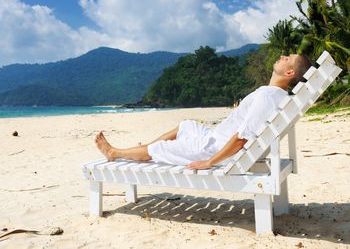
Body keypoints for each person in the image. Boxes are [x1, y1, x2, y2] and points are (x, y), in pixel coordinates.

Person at [95, 54, 311, 170]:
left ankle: (116, 153)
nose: (282, 56)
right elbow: (249, 125)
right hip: (216, 137)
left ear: (290, 72)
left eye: (287, 59)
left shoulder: (267, 96)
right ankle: (144, 149)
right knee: (186, 125)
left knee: (161, 147)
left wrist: (210, 162)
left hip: (215, 149)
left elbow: (241, 139)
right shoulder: (275, 95)